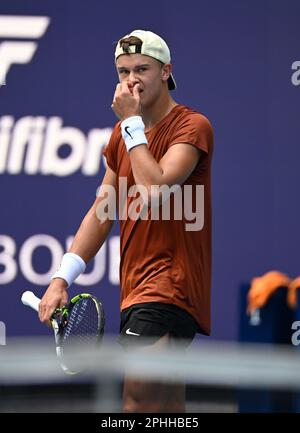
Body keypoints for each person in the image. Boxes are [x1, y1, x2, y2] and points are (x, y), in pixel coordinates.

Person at [39, 29, 214, 412]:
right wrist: (60, 278)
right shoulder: (123, 137)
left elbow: (155, 191)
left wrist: (131, 125)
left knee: (135, 405)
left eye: (142, 69)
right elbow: (103, 213)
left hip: (168, 285)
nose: (131, 80)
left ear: (166, 71)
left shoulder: (191, 126)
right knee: (167, 410)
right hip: (140, 289)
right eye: (122, 72)